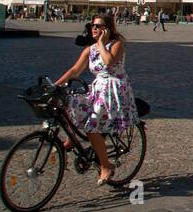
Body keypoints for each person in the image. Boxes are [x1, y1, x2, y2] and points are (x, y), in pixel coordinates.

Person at [55, 12, 137, 185]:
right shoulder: (89, 50)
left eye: (98, 26)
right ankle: (72, 140)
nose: (93, 28)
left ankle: (106, 165)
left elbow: (109, 62)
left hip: (115, 89)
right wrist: (55, 85)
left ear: (107, 29)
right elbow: (74, 71)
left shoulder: (117, 44)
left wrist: (100, 44)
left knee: (92, 126)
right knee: (71, 103)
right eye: (92, 25)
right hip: (98, 88)